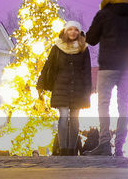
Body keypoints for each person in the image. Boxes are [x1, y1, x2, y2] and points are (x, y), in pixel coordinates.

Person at [85, 0, 128, 157]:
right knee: (124, 106)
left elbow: (92, 39)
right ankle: (120, 145)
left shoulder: (104, 13)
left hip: (108, 66)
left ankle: (105, 143)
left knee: (104, 104)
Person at [36, 19, 92, 155]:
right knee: (63, 115)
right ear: (65, 31)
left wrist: (88, 90)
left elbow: (87, 70)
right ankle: (63, 149)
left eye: (76, 30)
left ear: (79, 33)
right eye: (70, 29)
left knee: (74, 118)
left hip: (78, 88)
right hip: (60, 86)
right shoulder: (57, 47)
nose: (73, 32)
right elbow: (48, 66)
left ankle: (72, 149)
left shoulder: (84, 48)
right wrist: (41, 84)